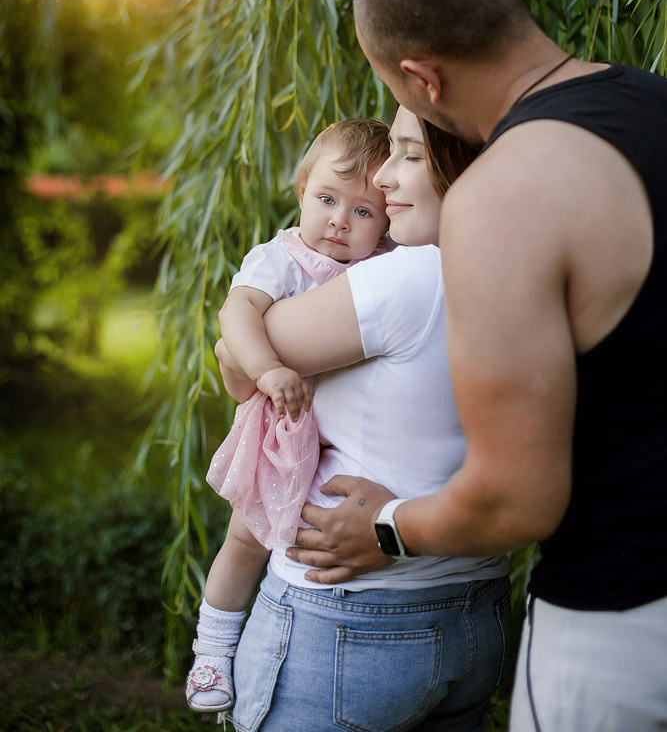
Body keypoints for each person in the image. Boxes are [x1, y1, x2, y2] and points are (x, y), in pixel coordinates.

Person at [283, 0, 667, 732]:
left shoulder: (503, 192)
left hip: (620, 625)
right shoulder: (653, 103)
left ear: (421, 80)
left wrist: (384, 528)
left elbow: (515, 501)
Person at [216, 106, 513, 732]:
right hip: (476, 605)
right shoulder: (523, 268)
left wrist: (392, 529)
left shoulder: (405, 276)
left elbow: (238, 362)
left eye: (408, 155)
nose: (383, 183)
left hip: (352, 619)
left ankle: (209, 647)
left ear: (458, 166)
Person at [186, 117, 391, 719]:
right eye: (327, 199)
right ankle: (212, 651)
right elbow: (237, 313)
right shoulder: (282, 258)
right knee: (246, 539)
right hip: (282, 428)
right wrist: (268, 367)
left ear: (385, 223)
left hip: (339, 443)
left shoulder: (384, 267)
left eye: (363, 212)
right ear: (301, 189)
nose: (339, 221)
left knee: (302, 540)